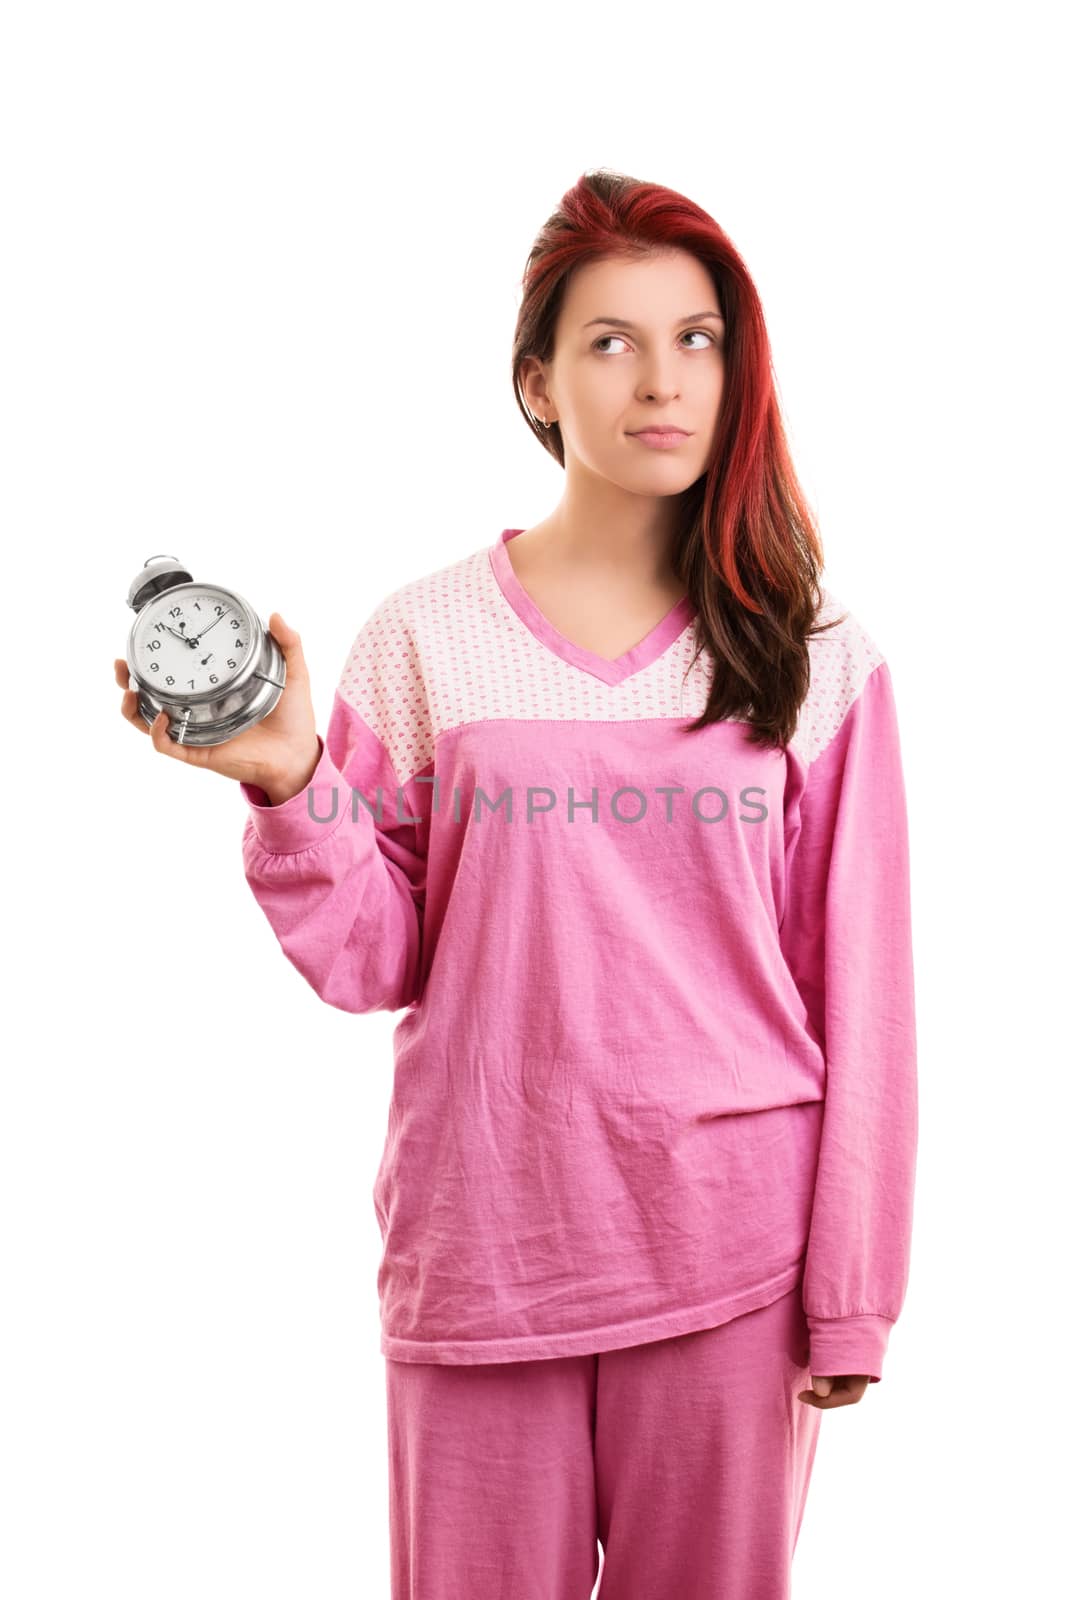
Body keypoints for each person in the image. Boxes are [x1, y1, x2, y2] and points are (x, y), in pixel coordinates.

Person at [115, 167, 918, 1600]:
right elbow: (373, 959)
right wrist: (291, 777)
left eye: (699, 339)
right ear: (538, 383)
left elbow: (866, 996)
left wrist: (850, 1301)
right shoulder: (423, 641)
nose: (661, 381)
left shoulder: (816, 656)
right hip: (485, 1251)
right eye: (612, 341)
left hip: (734, 1264)